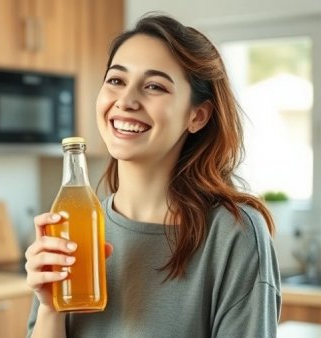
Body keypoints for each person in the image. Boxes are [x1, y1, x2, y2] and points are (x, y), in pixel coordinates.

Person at [24, 12, 281, 338]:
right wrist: (49, 308)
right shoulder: (76, 227)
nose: (126, 101)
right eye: (116, 80)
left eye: (154, 86)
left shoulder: (233, 234)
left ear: (197, 116)